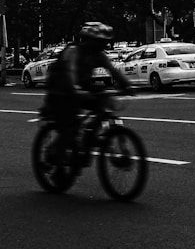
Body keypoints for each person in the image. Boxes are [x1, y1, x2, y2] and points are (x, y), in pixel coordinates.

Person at [39, 22, 134, 167]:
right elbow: (69, 73)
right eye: (98, 42)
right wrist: (76, 90)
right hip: (61, 91)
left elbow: (113, 71)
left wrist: (127, 85)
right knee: (69, 126)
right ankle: (56, 157)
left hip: (81, 89)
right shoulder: (73, 51)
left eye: (104, 42)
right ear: (88, 40)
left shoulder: (99, 55)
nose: (101, 46)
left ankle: (88, 140)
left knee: (102, 103)